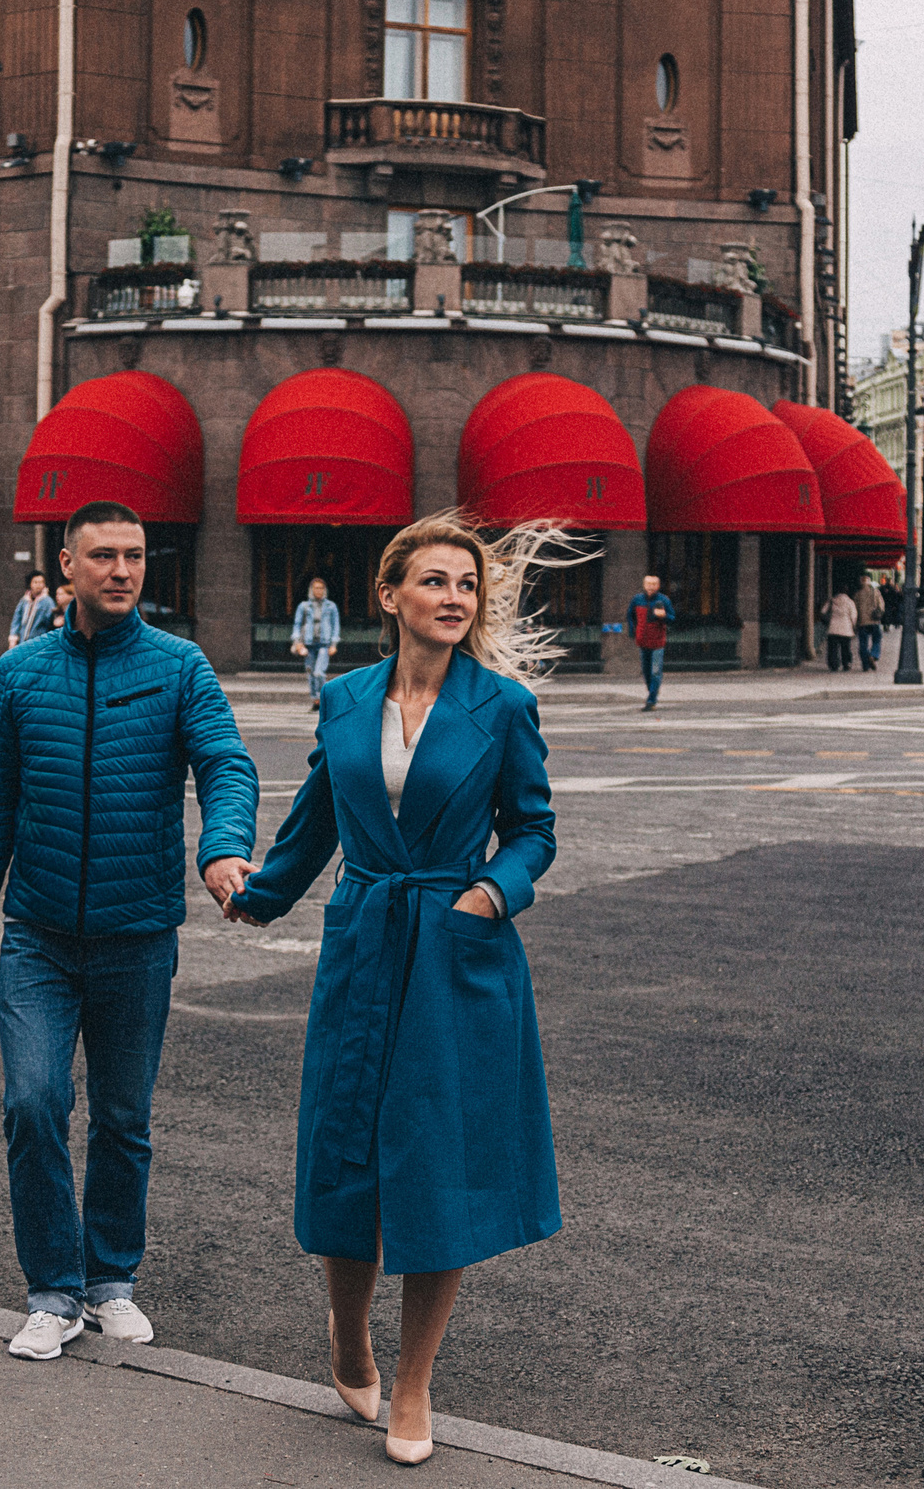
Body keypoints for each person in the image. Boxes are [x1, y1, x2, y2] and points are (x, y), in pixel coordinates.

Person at [225, 511, 563, 1468]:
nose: (454, 597)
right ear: (390, 596)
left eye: (467, 584)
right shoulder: (344, 698)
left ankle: (414, 1380)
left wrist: (490, 894)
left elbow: (534, 829)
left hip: (458, 953)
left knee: (436, 1160)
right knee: (347, 1150)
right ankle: (346, 1332)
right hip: (365, 939)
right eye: (435, 581)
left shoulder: (501, 706)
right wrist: (257, 893)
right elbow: (314, 823)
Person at [0, 500, 260, 1364]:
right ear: (68, 566)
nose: (122, 570)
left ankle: (111, 1277)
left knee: (123, 1116)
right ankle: (54, 1289)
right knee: (33, 1102)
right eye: (105, 556)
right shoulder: (20, 675)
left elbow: (225, 763)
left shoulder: (179, 667)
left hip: (138, 934)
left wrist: (224, 849)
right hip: (39, 936)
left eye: (136, 556)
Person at [623, 573, 671, 710]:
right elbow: (630, 615)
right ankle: (653, 690)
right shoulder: (637, 599)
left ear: (658, 586)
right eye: (648, 584)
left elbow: (672, 618)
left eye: (654, 584)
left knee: (656, 671)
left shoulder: (664, 600)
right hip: (643, 640)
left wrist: (664, 616)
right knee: (646, 670)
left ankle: (651, 701)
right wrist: (633, 631)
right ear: (644, 585)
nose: (651, 587)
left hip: (657, 642)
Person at [291, 576, 341, 703]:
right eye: (316, 588)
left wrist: (334, 644)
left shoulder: (331, 606)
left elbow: (336, 625)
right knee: (311, 673)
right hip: (308, 644)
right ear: (311, 590)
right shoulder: (304, 606)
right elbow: (297, 625)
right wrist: (297, 642)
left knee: (319, 672)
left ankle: (323, 697)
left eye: (321, 588)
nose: (318, 591)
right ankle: (315, 699)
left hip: (324, 643)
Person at [7, 570, 54, 648]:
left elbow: (50, 622)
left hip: (38, 643)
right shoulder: (24, 600)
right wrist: (13, 639)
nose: (38, 585)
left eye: (41, 582)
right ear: (30, 584)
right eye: (35, 582)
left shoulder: (47, 601)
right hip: (22, 642)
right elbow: (16, 620)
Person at [821, 585, 857, 672]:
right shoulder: (850, 602)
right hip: (846, 628)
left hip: (833, 627)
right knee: (846, 648)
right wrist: (854, 625)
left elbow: (823, 611)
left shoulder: (832, 601)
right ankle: (846, 663)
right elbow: (853, 615)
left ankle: (834, 665)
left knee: (833, 648)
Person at [854, 576, 885, 670]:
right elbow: (881, 606)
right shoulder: (875, 592)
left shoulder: (857, 594)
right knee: (877, 640)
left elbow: (854, 609)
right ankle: (873, 654)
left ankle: (865, 664)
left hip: (862, 622)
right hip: (874, 621)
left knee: (863, 643)